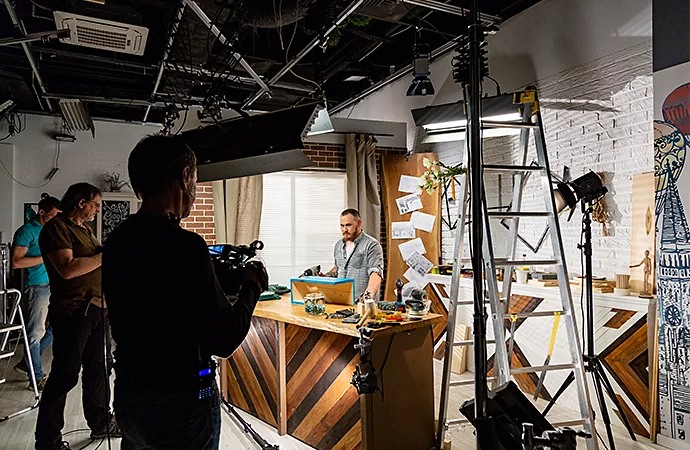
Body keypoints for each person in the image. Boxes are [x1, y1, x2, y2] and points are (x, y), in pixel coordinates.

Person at [102, 135, 268, 450]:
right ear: (184, 177)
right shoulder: (186, 246)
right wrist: (252, 286)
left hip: (130, 398)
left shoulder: (117, 242)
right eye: (195, 179)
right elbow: (225, 339)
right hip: (183, 404)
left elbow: (158, 293)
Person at [35, 183, 120, 450]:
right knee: (65, 374)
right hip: (74, 312)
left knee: (99, 370)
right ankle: (47, 441)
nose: (98, 209)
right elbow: (67, 269)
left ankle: (101, 422)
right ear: (81, 203)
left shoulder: (85, 230)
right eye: (95, 204)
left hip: (98, 309)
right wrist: (106, 256)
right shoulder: (57, 228)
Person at [12, 193, 61, 391]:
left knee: (57, 328)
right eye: (54, 215)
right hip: (37, 287)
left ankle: (27, 362)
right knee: (35, 334)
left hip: (55, 285)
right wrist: (45, 258)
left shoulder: (53, 231)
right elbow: (16, 262)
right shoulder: (26, 231)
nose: (57, 219)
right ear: (42, 212)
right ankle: (37, 379)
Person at [323, 209, 384, 300]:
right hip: (340, 301)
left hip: (361, 303)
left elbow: (376, 273)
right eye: (342, 226)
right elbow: (338, 268)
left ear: (359, 223)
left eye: (348, 225)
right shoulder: (338, 245)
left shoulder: (372, 245)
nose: (345, 229)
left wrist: (367, 297)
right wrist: (325, 277)